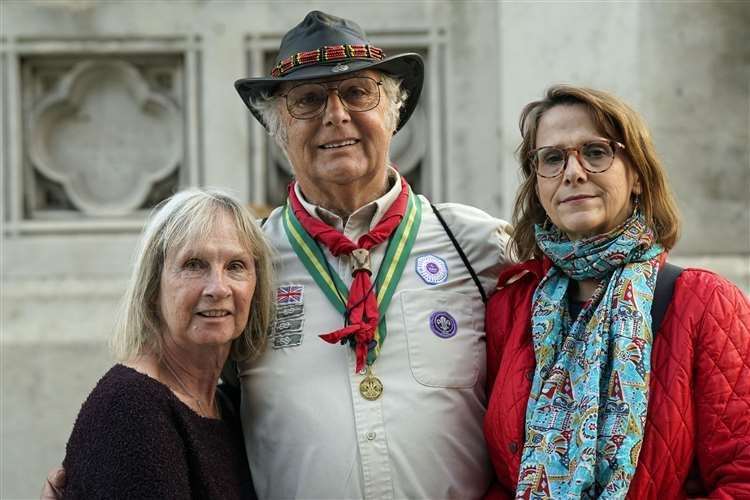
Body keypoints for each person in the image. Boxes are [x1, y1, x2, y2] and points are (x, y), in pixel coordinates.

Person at [231, 10, 512, 499]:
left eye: (358, 93)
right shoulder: (244, 262)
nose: (336, 114)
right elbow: (178, 385)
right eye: (308, 100)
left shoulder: (477, 246)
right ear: (277, 129)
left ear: (393, 112)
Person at [483, 84, 750, 498]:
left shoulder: (704, 302)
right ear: (538, 183)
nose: (573, 172)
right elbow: (498, 479)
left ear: (637, 176)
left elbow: (741, 475)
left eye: (595, 152)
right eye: (552, 158)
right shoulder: (510, 307)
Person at [56, 189, 274, 499]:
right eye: (194, 264)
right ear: (152, 287)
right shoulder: (131, 409)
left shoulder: (227, 406)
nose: (218, 288)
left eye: (236, 266)